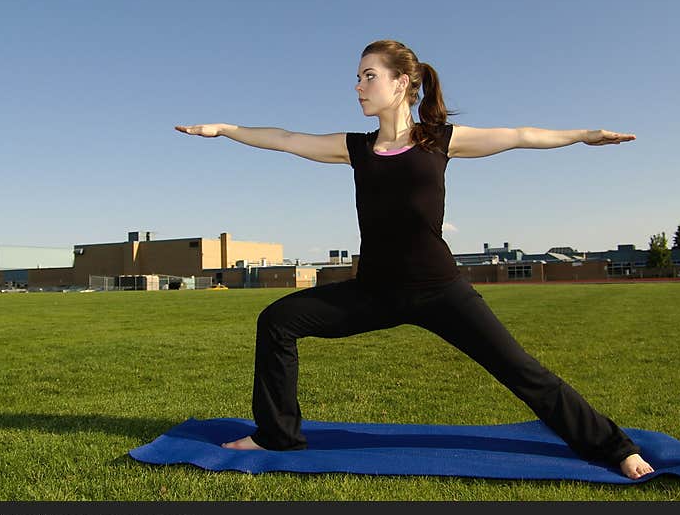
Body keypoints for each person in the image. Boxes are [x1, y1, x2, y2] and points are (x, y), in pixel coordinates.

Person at [175, 39, 654, 480]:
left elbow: (521, 134)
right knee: (278, 320)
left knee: (522, 371)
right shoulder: (356, 149)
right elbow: (283, 138)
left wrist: (582, 135)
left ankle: (614, 447)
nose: (358, 86)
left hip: (439, 290)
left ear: (401, 82)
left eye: (368, 76)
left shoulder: (440, 140)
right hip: (374, 292)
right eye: (359, 78)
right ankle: (277, 434)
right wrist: (224, 130)